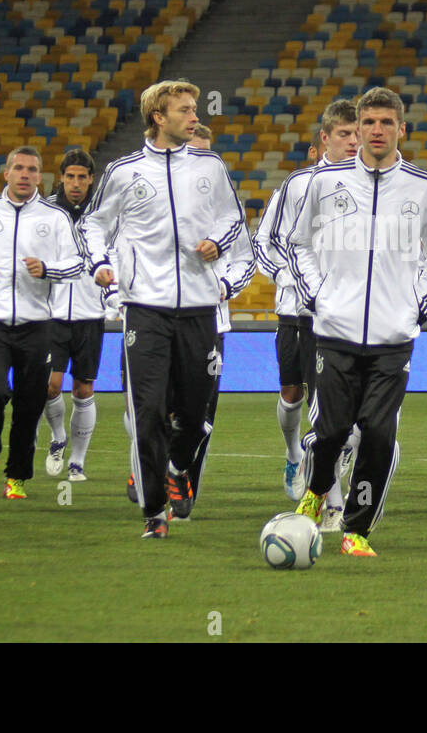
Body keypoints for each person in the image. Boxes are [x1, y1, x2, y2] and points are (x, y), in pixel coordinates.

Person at [287, 86, 427, 556]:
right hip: (335, 332)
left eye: (387, 123)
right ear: (356, 128)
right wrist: (317, 296)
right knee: (332, 432)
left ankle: (357, 530)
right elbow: (297, 244)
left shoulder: (426, 189)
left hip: (393, 337)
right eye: (369, 123)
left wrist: (417, 304)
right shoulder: (325, 182)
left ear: (402, 129)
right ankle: (317, 492)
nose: (377, 131)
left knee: (379, 434)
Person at [78, 79, 251, 539]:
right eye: (186, 110)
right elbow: (93, 225)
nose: (195, 116)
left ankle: (178, 466)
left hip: (200, 308)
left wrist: (219, 241)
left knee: (195, 416)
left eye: (194, 109)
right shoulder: (123, 171)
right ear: (159, 117)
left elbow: (235, 217)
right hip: (145, 309)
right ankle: (155, 512)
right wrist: (99, 264)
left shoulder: (211, 167)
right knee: (148, 412)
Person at [0, 146, 84, 501]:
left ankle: (16, 478)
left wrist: (48, 270)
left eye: (32, 169)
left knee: (30, 405)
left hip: (36, 324)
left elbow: (76, 263)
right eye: (19, 168)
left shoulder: (56, 218)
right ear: (6, 172)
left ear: (40, 176)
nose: (25, 174)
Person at [252, 99, 358, 502]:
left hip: (343, 316)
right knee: (293, 394)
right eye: (343, 134)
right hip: (298, 313)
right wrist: (289, 277)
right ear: (324, 139)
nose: (352, 141)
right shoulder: (297, 186)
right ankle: (294, 452)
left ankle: (331, 500)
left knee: (333, 407)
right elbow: (266, 241)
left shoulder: (372, 187)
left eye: (356, 134)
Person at [169, 124, 255, 518]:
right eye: (192, 151)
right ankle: (155, 473)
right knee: (155, 409)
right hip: (159, 318)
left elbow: (246, 260)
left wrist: (223, 285)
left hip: (211, 324)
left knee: (200, 414)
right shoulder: (158, 198)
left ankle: (185, 486)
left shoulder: (225, 207)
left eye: (206, 154)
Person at [41, 148, 104, 482]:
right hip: (51, 313)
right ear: (61, 178)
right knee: (50, 386)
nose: (76, 183)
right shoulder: (45, 212)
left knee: (83, 389)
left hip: (91, 312)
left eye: (82, 177)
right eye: (70, 176)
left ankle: (77, 461)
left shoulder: (105, 213)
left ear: (91, 179)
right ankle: (57, 438)